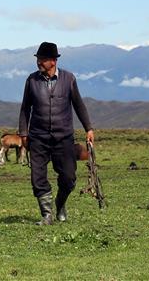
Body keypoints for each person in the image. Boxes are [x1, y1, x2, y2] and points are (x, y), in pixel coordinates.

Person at [18, 41, 95, 225]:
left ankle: (60, 203)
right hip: (38, 137)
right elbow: (24, 108)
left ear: (53, 61)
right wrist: (23, 133)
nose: (38, 62)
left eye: (42, 59)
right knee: (37, 177)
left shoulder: (69, 79)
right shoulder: (31, 80)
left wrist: (89, 128)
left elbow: (78, 105)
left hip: (64, 138)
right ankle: (47, 215)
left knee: (69, 177)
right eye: (38, 59)